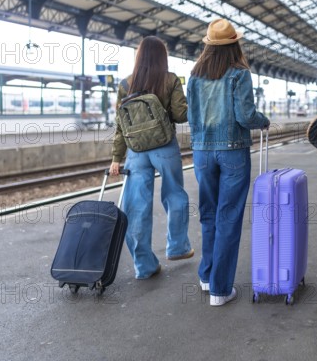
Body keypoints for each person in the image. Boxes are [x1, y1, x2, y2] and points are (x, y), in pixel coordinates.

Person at [186, 19, 269, 306]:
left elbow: (191, 117)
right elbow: (246, 116)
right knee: (228, 217)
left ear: (207, 46)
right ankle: (221, 290)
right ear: (235, 44)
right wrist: (263, 121)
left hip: (202, 152)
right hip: (232, 151)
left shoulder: (195, 76)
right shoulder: (239, 74)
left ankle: (207, 276)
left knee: (208, 214)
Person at [109, 36, 192, 280]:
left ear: (139, 56)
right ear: (162, 57)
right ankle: (177, 247)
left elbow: (121, 124)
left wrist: (116, 157)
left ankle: (144, 266)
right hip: (165, 147)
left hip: (136, 151)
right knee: (175, 195)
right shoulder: (170, 79)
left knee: (135, 208)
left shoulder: (126, 83)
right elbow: (180, 115)